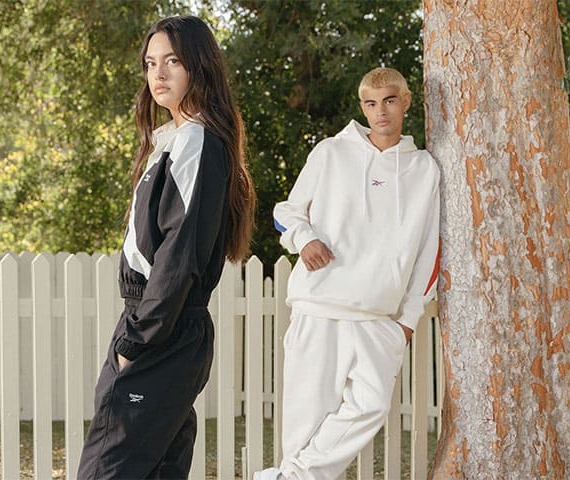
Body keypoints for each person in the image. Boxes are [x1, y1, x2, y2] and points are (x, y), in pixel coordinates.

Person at [77, 15, 255, 479]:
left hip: (160, 327)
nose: (158, 74)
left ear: (199, 66)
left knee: (107, 469)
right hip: (166, 326)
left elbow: (180, 255)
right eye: (150, 63)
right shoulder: (174, 138)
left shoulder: (196, 140)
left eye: (172, 61)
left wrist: (134, 342)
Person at [255, 67, 440, 480]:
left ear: (406, 101)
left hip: (379, 317)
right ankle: (293, 475)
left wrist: (408, 321)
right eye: (371, 103)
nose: (381, 112)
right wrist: (304, 239)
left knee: (371, 406)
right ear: (362, 107)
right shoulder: (330, 153)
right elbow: (286, 211)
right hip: (319, 305)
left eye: (390, 101)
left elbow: (430, 250)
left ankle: (290, 477)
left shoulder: (425, 169)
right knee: (304, 425)